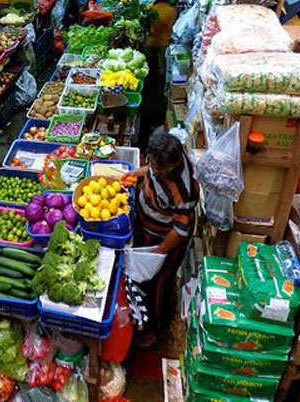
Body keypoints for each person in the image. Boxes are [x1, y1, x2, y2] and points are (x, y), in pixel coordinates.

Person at [125, 131, 198, 347]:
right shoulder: (163, 163)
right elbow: (150, 172)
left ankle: (154, 330)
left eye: (156, 166)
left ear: (170, 168)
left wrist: (159, 253)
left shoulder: (184, 190)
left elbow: (181, 230)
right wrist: (131, 174)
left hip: (165, 239)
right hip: (147, 227)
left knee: (157, 284)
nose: (152, 168)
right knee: (142, 279)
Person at [140, 0, 177, 147]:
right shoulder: (171, 11)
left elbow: (147, 26)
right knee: (162, 72)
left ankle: (151, 84)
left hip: (151, 43)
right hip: (164, 44)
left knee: (150, 69)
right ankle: (161, 90)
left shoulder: (151, 8)